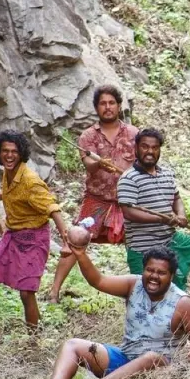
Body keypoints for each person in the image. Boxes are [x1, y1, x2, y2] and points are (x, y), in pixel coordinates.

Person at [23, 245, 190, 379]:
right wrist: (80, 254)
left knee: (151, 357)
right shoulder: (133, 284)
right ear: (143, 269)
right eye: (150, 270)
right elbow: (98, 280)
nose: (154, 276)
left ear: (171, 275)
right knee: (72, 345)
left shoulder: (182, 303)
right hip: (124, 360)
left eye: (161, 273)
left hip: (159, 371)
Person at [117, 128, 190, 313]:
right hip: (144, 248)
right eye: (145, 147)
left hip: (170, 239)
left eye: (154, 147)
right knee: (146, 300)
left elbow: (176, 198)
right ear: (136, 148)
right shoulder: (128, 179)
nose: (150, 151)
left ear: (159, 150)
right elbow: (128, 212)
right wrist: (160, 218)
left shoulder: (166, 174)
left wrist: (181, 214)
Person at [0, 130, 69, 342]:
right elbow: (15, 195)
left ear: (21, 154)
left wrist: (65, 236)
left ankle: (34, 340)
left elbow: (52, 207)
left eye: (14, 152)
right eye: (5, 151)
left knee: (26, 292)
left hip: (34, 240)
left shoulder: (30, 180)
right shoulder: (8, 174)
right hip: (13, 237)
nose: (9, 155)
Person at [50, 84, 138, 302]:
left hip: (128, 201)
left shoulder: (134, 134)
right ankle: (53, 292)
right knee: (75, 239)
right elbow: (88, 163)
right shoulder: (88, 136)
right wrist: (99, 164)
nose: (107, 107)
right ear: (97, 108)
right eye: (102, 104)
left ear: (118, 106)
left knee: (139, 243)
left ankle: (142, 289)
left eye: (111, 103)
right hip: (96, 201)